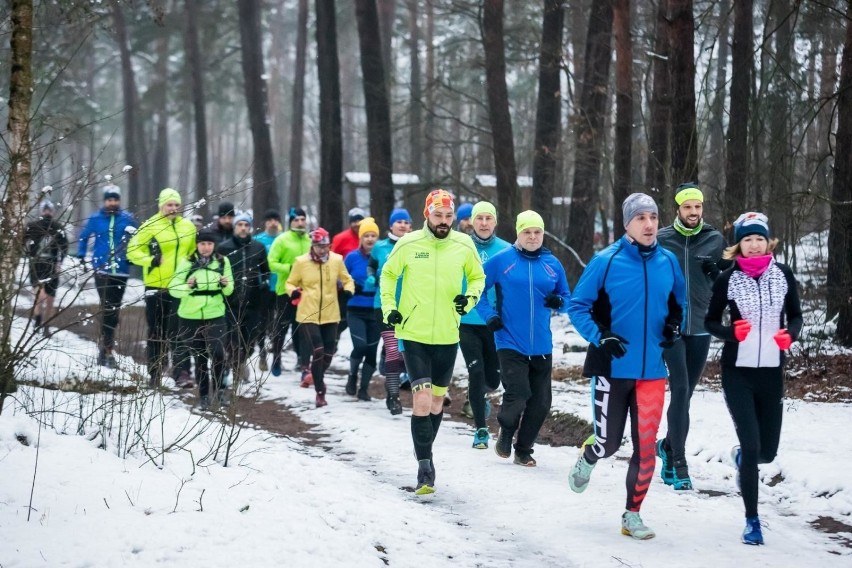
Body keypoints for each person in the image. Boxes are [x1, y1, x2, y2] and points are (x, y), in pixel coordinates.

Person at [566, 193, 685, 540]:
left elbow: (679, 303)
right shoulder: (606, 260)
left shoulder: (668, 261)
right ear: (627, 224)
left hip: (652, 372)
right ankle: (590, 455)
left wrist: (674, 325)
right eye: (641, 218)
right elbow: (577, 306)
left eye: (653, 217)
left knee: (646, 448)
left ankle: (632, 515)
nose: (649, 224)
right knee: (609, 444)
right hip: (613, 369)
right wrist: (601, 336)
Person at [704, 212, 802, 546]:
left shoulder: (784, 275)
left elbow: (797, 316)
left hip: (772, 374)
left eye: (759, 238)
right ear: (739, 245)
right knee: (751, 442)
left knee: (766, 453)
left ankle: (744, 459)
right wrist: (730, 332)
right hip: (737, 374)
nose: (754, 244)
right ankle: (752, 520)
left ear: (768, 241)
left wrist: (792, 334)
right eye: (748, 239)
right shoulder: (727, 279)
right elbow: (710, 322)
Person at [381, 189, 485, 495]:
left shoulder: (464, 244)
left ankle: (423, 448)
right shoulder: (409, 243)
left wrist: (467, 302)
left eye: (448, 216)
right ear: (427, 214)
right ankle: (425, 468)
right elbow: (388, 276)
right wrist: (390, 309)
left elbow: (478, 279)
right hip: (413, 333)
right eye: (438, 215)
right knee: (422, 400)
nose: (443, 221)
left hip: (447, 335)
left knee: (438, 402)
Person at [476, 211, 570, 463]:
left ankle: (524, 449)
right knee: (518, 393)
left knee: (541, 403)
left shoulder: (553, 264)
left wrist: (559, 301)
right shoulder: (502, 260)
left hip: (541, 344)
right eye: (527, 232)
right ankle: (506, 429)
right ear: (518, 234)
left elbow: (567, 298)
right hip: (509, 340)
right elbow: (477, 290)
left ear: (543, 234)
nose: (532, 237)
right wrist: (489, 316)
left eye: (537, 232)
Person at [654, 182, 726, 491]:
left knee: (687, 394)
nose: (693, 212)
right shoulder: (662, 239)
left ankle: (668, 447)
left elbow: (727, 281)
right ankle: (679, 463)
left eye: (698, 207)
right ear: (678, 209)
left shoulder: (715, 239)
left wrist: (718, 273)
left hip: (700, 326)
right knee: (680, 389)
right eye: (688, 207)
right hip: (670, 327)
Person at [127, 188, 197, 388]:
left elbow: (193, 251)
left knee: (180, 330)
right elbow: (132, 251)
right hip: (155, 287)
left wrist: (193, 266)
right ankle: (155, 373)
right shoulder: (150, 225)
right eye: (169, 204)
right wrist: (151, 260)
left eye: (176, 205)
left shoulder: (188, 227)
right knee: (157, 332)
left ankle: (182, 373)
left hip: (180, 286)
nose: (173, 208)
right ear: (161, 206)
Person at [457, 201, 511, 447]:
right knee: (475, 372)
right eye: (479, 218)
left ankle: (479, 393)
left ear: (495, 222)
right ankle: (480, 429)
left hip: (494, 322)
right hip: (465, 320)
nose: (484, 223)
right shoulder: (459, 246)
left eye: (489, 218)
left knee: (493, 379)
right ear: (472, 222)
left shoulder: (507, 249)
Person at [286, 227, 355, 407]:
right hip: (308, 313)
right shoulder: (301, 262)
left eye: (325, 246)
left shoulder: (336, 260)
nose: (323, 250)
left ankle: (313, 375)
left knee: (328, 354)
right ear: (313, 245)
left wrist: (348, 290)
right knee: (317, 350)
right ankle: (320, 391)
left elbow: (347, 279)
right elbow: (290, 282)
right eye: (319, 246)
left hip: (331, 313)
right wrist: (293, 292)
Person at [169, 229, 234, 410]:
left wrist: (225, 285)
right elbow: (173, 288)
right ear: (197, 245)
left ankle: (220, 390)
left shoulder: (222, 261)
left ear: (214, 245)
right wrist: (188, 286)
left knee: (218, 353)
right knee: (200, 357)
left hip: (215, 314)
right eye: (203, 244)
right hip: (190, 316)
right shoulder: (187, 262)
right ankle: (204, 396)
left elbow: (230, 290)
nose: (206, 248)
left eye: (209, 244)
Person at [76, 184, 139, 367]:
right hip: (102, 269)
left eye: (115, 200)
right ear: (105, 201)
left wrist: (133, 255)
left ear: (119, 201)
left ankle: (106, 348)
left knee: (114, 309)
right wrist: (81, 255)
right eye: (109, 199)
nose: (112, 203)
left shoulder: (127, 219)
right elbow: (84, 236)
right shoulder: (96, 219)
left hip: (121, 269)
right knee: (107, 307)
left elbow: (138, 238)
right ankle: (106, 350)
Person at [217, 213, 270, 383]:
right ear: (235, 227)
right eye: (239, 224)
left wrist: (264, 283)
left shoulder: (258, 247)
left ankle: (240, 361)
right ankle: (233, 366)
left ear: (250, 228)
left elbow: (266, 270)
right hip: (230, 301)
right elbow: (216, 269)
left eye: (246, 225)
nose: (243, 228)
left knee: (250, 339)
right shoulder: (224, 247)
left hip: (254, 300)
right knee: (232, 338)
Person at [369, 208, 413, 415]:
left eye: (406, 222)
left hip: (410, 305)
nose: (403, 225)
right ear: (391, 225)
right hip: (384, 304)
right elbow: (371, 266)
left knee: (402, 351)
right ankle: (393, 397)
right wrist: (371, 278)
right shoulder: (380, 247)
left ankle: (387, 360)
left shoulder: (415, 246)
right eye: (399, 222)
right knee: (394, 349)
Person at [267, 207, 311, 376]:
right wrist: (290, 268)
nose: (300, 223)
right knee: (282, 327)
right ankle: (276, 359)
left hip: (306, 291)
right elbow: (272, 263)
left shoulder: (309, 240)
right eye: (296, 220)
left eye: (302, 219)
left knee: (300, 327)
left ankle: (302, 360)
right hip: (284, 291)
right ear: (290, 222)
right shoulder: (282, 240)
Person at [343, 217, 381, 401]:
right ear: (361, 238)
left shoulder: (382, 256)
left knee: (372, 351)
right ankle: (352, 376)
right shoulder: (352, 257)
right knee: (360, 346)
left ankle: (364, 389)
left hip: (376, 309)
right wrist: (350, 286)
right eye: (366, 235)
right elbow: (340, 277)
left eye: (374, 235)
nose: (370, 239)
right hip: (356, 308)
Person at [24, 200, 68, 335]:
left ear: (53, 211)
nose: (47, 212)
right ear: (41, 211)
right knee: (38, 294)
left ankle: (47, 324)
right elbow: (22, 241)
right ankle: (38, 319)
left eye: (49, 210)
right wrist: (28, 254)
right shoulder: (32, 226)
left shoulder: (57, 227)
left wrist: (60, 261)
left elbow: (64, 246)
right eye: (45, 210)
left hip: (52, 264)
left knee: (50, 297)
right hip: (36, 264)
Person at [254, 209, 283, 371]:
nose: (273, 223)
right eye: (270, 220)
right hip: (263, 288)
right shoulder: (258, 241)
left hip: (282, 287)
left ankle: (277, 356)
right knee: (262, 323)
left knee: (279, 324)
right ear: (265, 222)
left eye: (275, 220)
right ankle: (263, 354)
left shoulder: (284, 239)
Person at [332, 207, 367, 338]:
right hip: (342, 286)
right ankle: (333, 339)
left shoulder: (368, 236)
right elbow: (332, 260)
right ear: (349, 222)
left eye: (360, 220)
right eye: (354, 221)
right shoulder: (340, 238)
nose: (357, 223)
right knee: (341, 318)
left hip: (362, 286)